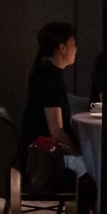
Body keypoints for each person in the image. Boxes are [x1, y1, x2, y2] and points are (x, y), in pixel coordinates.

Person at [21, 22, 80, 157]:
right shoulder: (51, 80)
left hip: (36, 153)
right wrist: (78, 155)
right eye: (74, 43)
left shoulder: (43, 73)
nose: (76, 48)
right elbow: (56, 132)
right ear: (62, 48)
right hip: (46, 157)